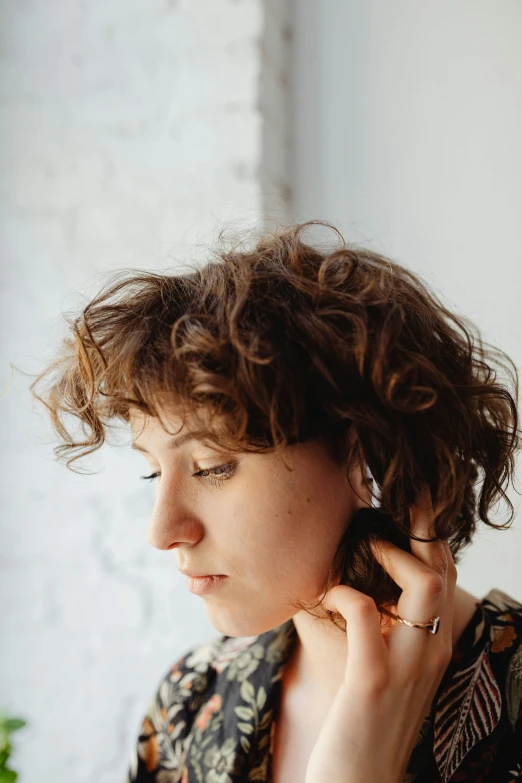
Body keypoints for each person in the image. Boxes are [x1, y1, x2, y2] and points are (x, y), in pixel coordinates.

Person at [30, 220, 522, 782]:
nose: (163, 530)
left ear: (365, 457)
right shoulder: (191, 703)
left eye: (212, 467)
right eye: (151, 473)